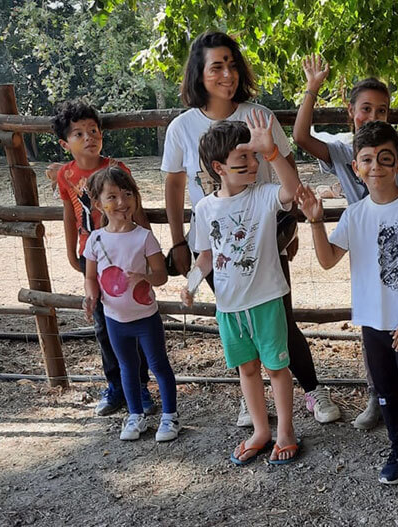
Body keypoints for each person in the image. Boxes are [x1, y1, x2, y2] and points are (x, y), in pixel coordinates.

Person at [161, 31, 339, 425]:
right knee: (239, 317)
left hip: (268, 236)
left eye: (232, 64)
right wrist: (178, 242)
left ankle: (311, 390)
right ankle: (253, 400)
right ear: (199, 73)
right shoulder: (181, 129)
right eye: (216, 66)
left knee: (279, 317)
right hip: (216, 241)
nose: (227, 74)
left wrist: (290, 229)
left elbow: (287, 176)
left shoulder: (260, 116)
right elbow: (174, 186)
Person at [293, 52, 398, 430]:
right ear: (350, 110)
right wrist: (312, 89)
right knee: (373, 326)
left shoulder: (397, 142)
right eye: (366, 109)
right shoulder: (344, 150)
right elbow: (300, 137)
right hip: (363, 236)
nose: (373, 117)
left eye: (381, 111)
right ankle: (377, 398)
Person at [297, 121, 398, 489]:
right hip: (373, 322)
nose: (376, 167)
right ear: (355, 167)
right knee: (385, 391)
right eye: (367, 160)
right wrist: (316, 222)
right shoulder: (354, 215)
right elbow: (327, 259)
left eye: (385, 159)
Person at [182, 112, 301, 465]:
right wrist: (190, 285)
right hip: (229, 308)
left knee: (276, 369)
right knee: (247, 369)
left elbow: (291, 190)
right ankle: (261, 430)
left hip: (265, 301)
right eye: (243, 159)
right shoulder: (205, 209)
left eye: (253, 156)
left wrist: (273, 154)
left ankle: (286, 431)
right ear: (219, 167)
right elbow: (205, 257)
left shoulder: (263, 195)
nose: (253, 164)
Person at [52, 101, 154, 417]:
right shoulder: (66, 175)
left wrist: (150, 250)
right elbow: (70, 214)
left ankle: (140, 387)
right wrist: (73, 253)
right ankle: (115, 387)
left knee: (133, 317)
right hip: (92, 259)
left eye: (94, 131)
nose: (89, 138)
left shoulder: (117, 169)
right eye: (79, 134)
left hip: (126, 254)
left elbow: (136, 207)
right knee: (104, 325)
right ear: (64, 143)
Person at [82, 166, 180, 442]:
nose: (122, 203)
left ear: (136, 199)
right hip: (114, 319)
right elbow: (91, 276)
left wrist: (144, 278)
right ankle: (135, 415)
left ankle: (170, 417)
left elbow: (160, 276)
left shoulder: (144, 237)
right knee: (126, 367)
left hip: (146, 317)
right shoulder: (96, 239)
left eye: (127, 195)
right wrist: (91, 296)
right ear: (98, 203)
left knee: (159, 365)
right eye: (112, 197)